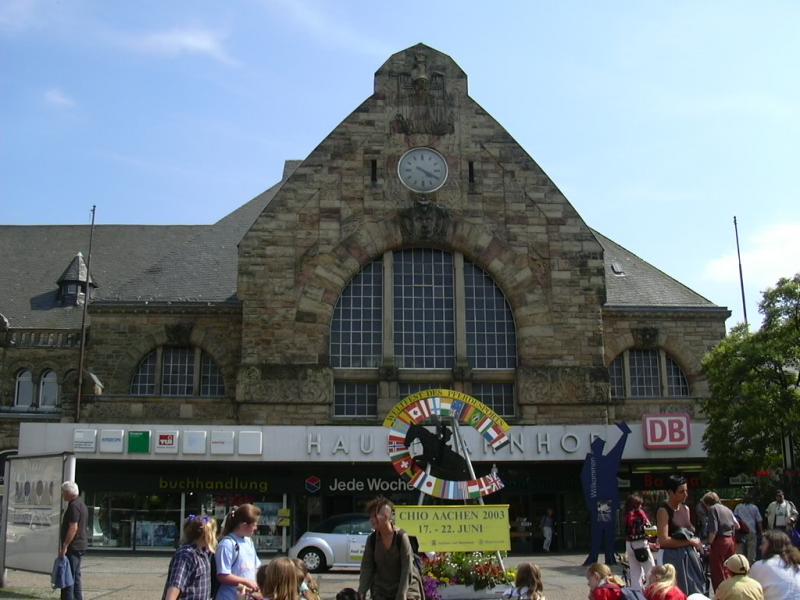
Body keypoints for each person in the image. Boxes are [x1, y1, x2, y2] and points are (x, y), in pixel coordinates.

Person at [581, 422, 631, 566]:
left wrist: (625, 435)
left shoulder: (594, 462)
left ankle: (601, 556)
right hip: (602, 501)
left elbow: (617, 451)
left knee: (602, 530)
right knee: (603, 530)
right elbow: (617, 451)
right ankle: (602, 556)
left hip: (601, 501)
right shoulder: (597, 462)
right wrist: (624, 435)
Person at [358, 497, 423, 600]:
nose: (371, 520)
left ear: (386, 516)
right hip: (382, 589)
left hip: (406, 586)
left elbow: (407, 568)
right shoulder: (371, 540)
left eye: (375, 516)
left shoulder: (401, 537)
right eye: (370, 516)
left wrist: (402, 595)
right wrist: (362, 591)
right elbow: (367, 567)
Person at [656, 476, 705, 596]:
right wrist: (690, 542)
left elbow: (689, 529)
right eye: (681, 491)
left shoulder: (685, 508)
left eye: (686, 490)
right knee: (674, 591)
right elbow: (663, 541)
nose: (685, 494)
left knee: (693, 588)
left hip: (688, 557)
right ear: (670, 492)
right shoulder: (663, 510)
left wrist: (695, 536)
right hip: (671, 557)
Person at [163, 514, 218, 600]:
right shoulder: (186, 555)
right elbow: (174, 587)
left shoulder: (204, 554)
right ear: (207, 535)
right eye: (213, 533)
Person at [216, 504, 262, 600]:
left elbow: (256, 567)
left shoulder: (249, 541)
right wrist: (247, 582)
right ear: (244, 525)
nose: (256, 528)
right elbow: (223, 576)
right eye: (254, 525)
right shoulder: (227, 544)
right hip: (229, 597)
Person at [749, 530, 800, 600]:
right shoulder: (796, 566)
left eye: (763, 543)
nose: (760, 547)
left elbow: (750, 590)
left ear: (772, 546)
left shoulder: (761, 565)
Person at [703, 491, 738, 592]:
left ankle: (721, 594)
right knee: (729, 569)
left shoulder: (712, 509)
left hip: (720, 541)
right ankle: (732, 591)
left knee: (717, 571)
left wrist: (709, 544)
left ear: (707, 503)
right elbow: (736, 525)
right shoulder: (727, 509)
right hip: (730, 540)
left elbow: (714, 529)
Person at [59, 481, 88, 600]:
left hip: (73, 546)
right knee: (75, 577)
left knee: (68, 577)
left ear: (69, 493)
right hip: (80, 545)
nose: (62, 495)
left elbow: (73, 527)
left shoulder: (73, 506)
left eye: (63, 492)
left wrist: (65, 545)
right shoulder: (81, 504)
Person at [625, 494, 656, 591]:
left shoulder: (626, 514)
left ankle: (636, 594)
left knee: (635, 574)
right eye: (640, 504)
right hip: (641, 545)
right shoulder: (639, 514)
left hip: (629, 545)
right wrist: (654, 532)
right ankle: (652, 592)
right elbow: (650, 531)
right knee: (651, 571)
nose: (641, 506)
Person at [734, 496, 762, 564]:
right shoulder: (754, 507)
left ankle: (740, 565)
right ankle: (751, 566)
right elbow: (759, 520)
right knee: (751, 551)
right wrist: (761, 531)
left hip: (741, 531)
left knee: (740, 551)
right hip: (751, 531)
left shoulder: (738, 507)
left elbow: (734, 518)